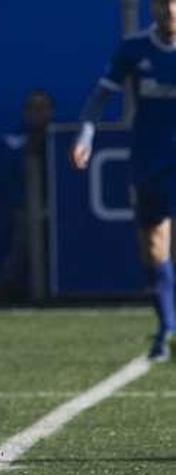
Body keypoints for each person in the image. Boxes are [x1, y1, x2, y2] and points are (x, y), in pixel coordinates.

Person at [72, 0, 176, 362]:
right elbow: (101, 96)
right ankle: (167, 329)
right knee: (153, 246)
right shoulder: (136, 48)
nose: (170, 12)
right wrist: (86, 134)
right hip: (151, 161)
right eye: (164, 4)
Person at [0, 90, 54, 299]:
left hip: (57, 205)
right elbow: (12, 176)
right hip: (24, 204)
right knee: (23, 233)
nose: (38, 114)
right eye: (33, 108)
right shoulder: (14, 140)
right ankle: (9, 284)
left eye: (43, 108)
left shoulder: (62, 139)